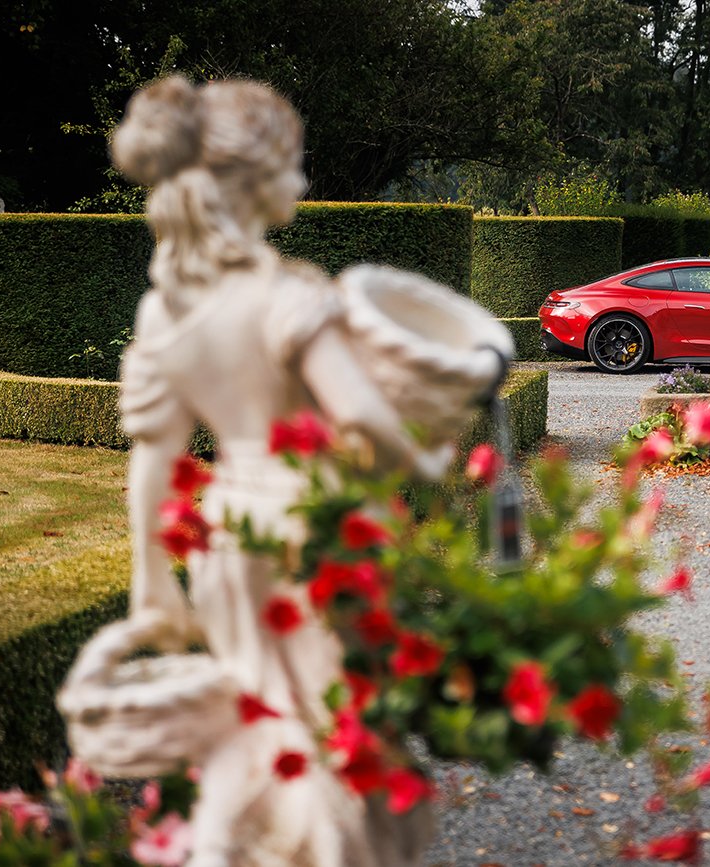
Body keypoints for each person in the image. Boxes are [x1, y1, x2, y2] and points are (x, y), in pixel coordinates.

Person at [108, 74, 494, 867]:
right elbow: (357, 416)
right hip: (318, 528)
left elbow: (154, 454)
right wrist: (422, 456)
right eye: (293, 165)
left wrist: (154, 579)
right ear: (251, 180)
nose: (305, 182)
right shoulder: (289, 296)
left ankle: (224, 846)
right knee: (335, 734)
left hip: (226, 532)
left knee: (256, 723)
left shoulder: (164, 310)